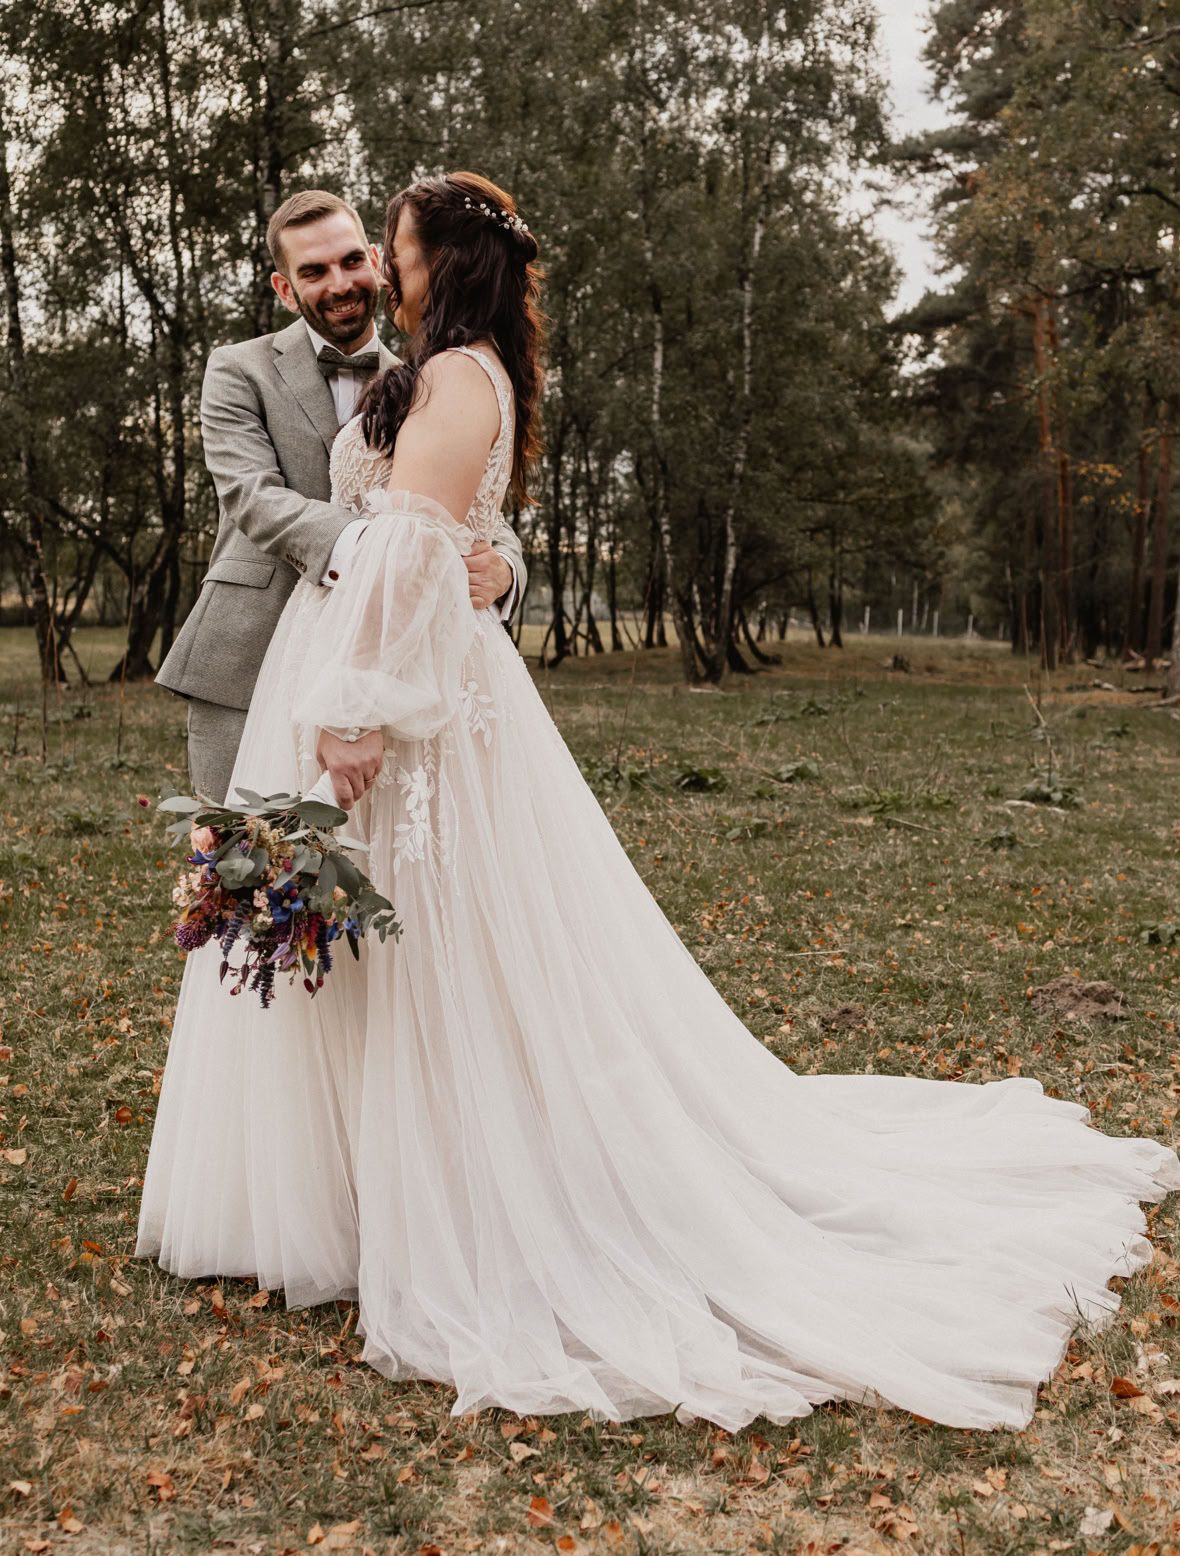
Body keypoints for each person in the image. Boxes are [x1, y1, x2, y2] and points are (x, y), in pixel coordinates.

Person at [137, 170, 1180, 1433]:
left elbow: (434, 534)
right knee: (337, 942)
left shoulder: (457, 375)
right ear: (288, 283)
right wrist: (388, 601)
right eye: (334, 266)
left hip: (395, 693)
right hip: (312, 658)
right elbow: (319, 513)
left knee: (436, 951)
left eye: (385, 252)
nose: (368, 276)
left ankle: (471, 1190)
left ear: (422, 263)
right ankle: (338, 1193)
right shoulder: (302, 370)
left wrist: (379, 684)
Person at [155, 188, 525, 803]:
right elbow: (253, 498)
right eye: (314, 271)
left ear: (379, 261)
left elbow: (475, 501)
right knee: (244, 865)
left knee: (361, 875)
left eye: (352, 261)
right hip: (254, 647)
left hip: (390, 669)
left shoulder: (433, 369)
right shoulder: (237, 369)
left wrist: (506, 567)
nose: (340, 282)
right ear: (284, 288)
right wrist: (383, 546)